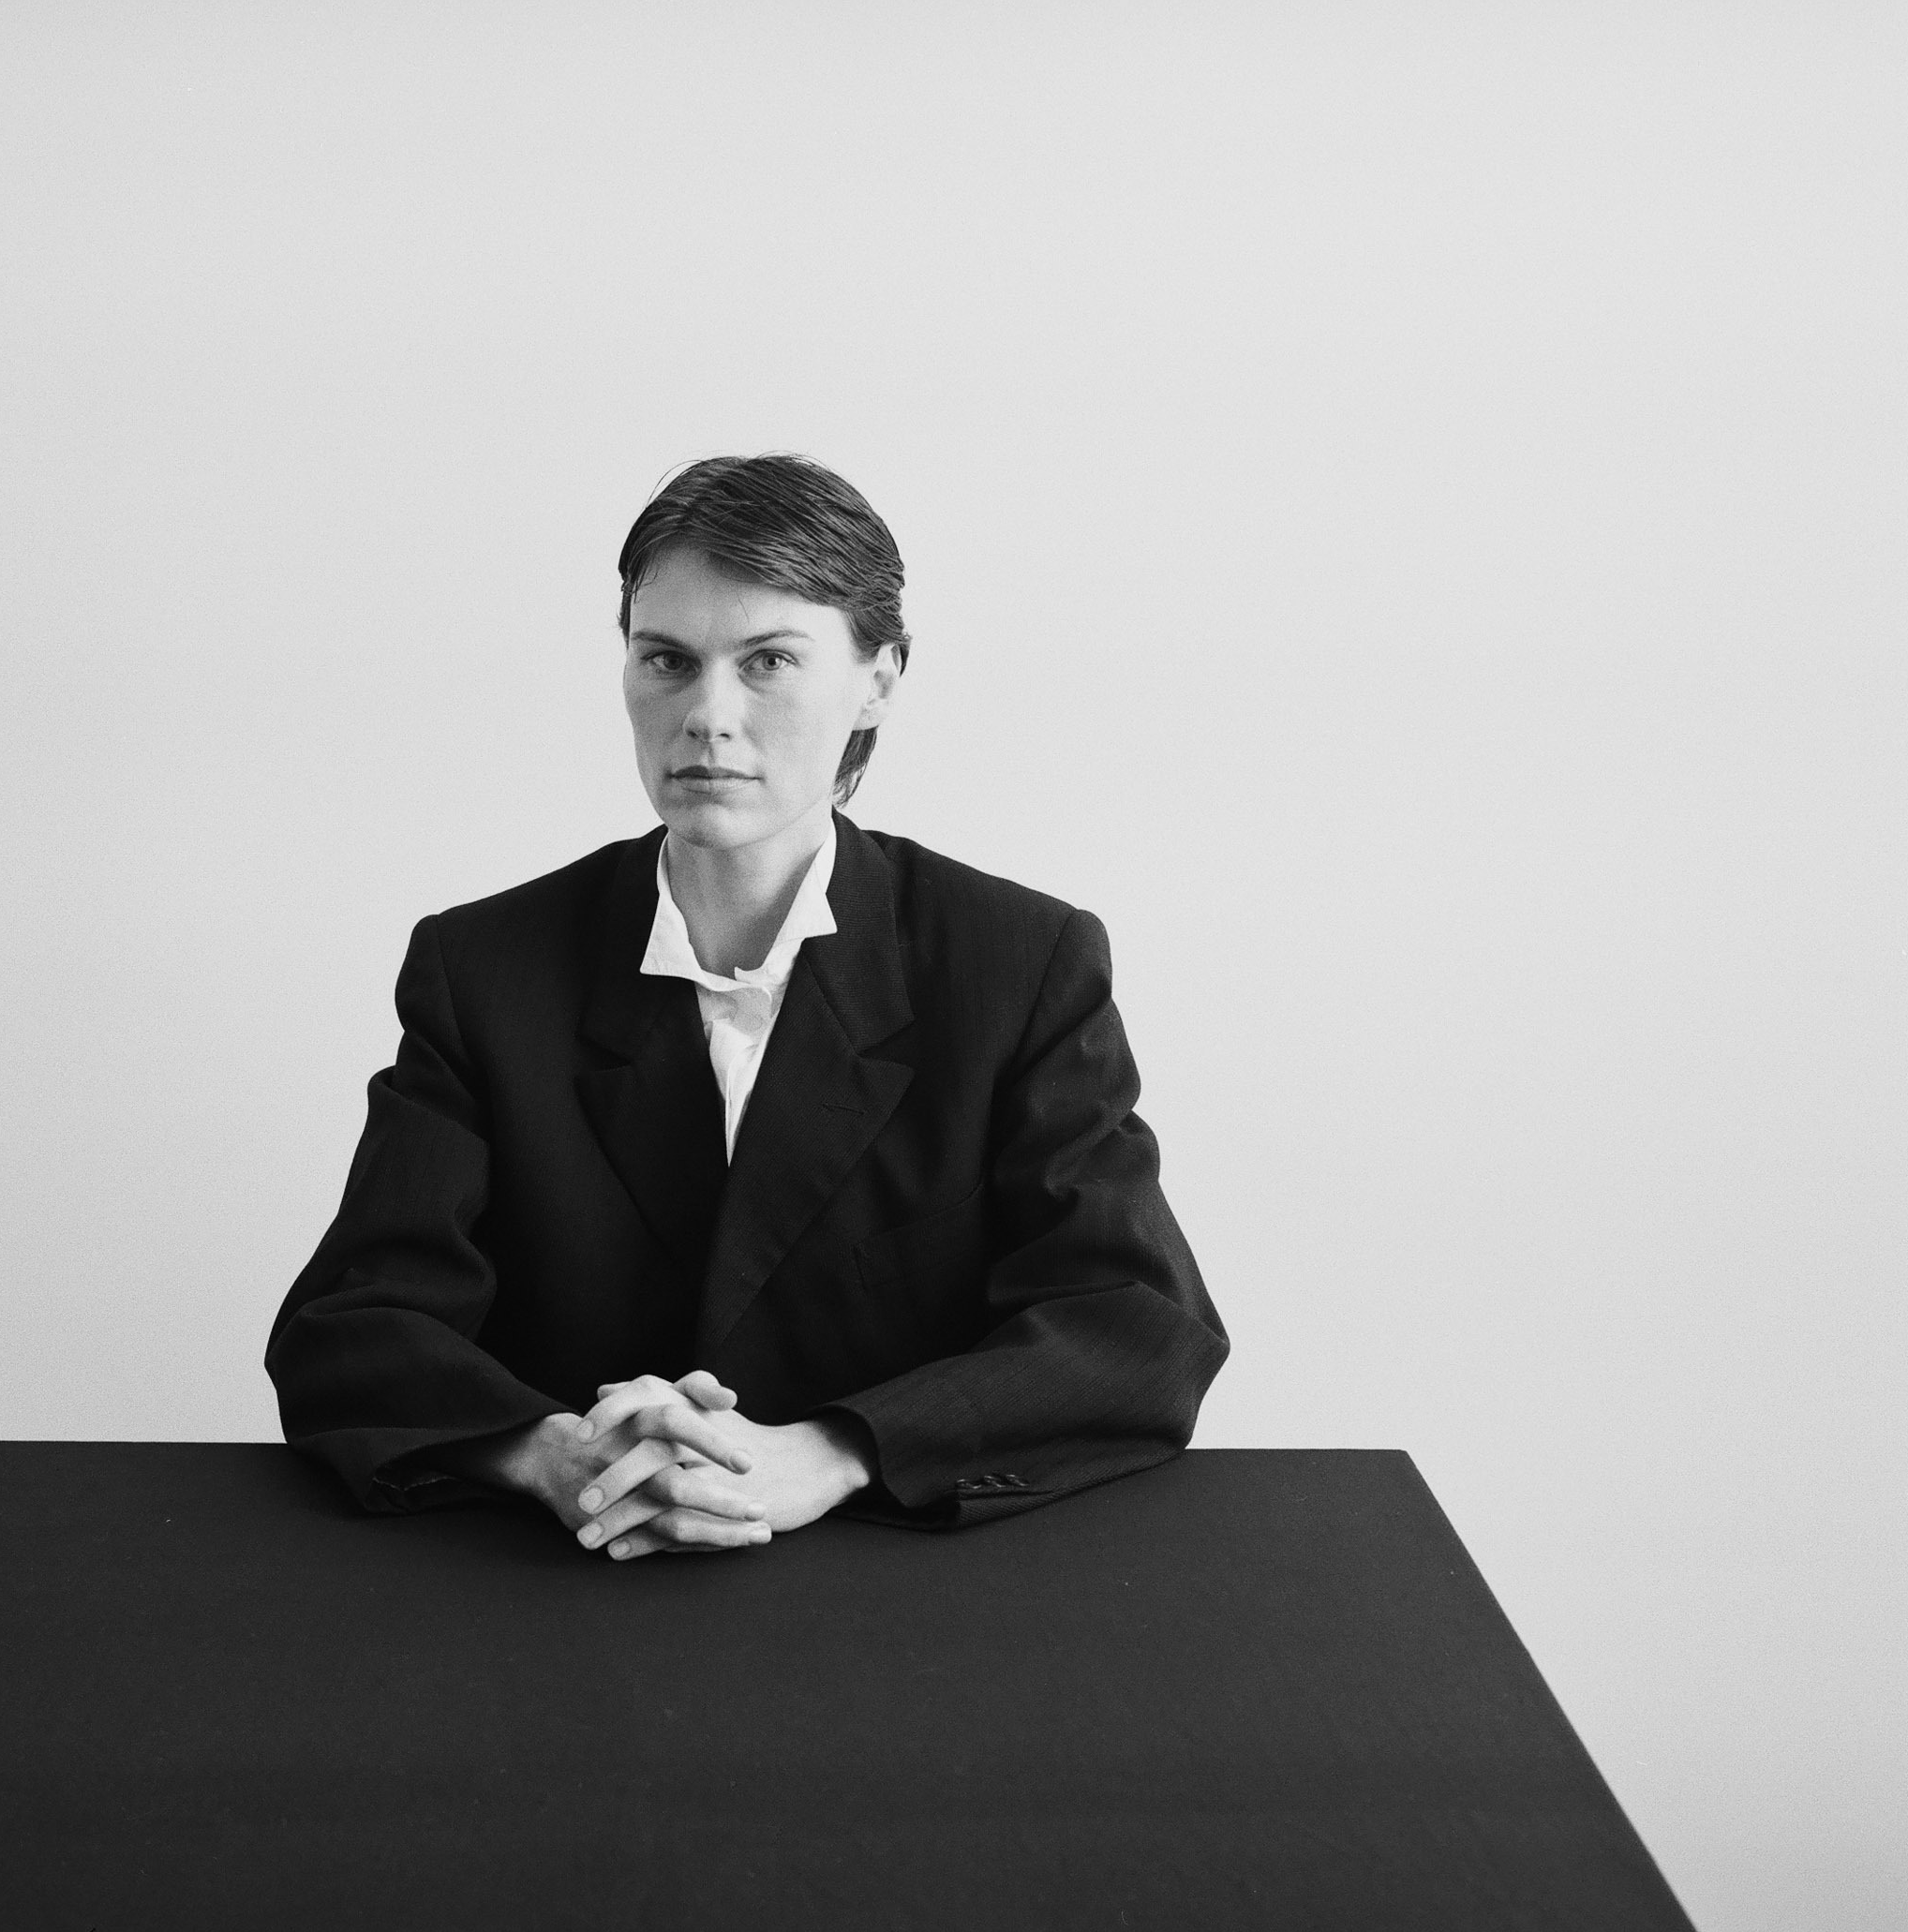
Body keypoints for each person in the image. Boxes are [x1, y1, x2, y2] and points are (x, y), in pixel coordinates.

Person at [265, 454, 1226, 1561]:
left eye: (768, 660)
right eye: (666, 660)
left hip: (899, 1580)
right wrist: (548, 1453)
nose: (706, 717)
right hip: (569, 1577)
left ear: (879, 678)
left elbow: (1136, 1324)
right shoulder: (485, 966)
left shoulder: (1017, 961)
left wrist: (832, 1450)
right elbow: (353, 1323)